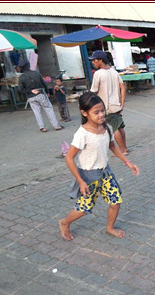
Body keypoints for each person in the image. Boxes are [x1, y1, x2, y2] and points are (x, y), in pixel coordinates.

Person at [58, 92, 139, 241]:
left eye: (102, 110)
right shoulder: (82, 134)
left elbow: (112, 145)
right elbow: (69, 157)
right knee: (84, 208)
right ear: (84, 112)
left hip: (105, 172)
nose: (101, 115)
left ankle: (109, 227)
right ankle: (65, 222)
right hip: (88, 177)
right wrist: (81, 181)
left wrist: (128, 163)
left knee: (116, 201)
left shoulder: (106, 127)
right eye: (96, 112)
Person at [89, 50, 128, 155]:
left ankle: (123, 150)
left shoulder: (98, 74)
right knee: (119, 127)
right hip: (116, 105)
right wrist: (122, 103)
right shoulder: (114, 71)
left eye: (94, 60)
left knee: (114, 129)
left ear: (100, 60)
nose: (93, 62)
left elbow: (93, 91)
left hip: (106, 106)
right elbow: (122, 87)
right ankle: (125, 148)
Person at [17, 59, 63, 132]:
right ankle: (56, 125)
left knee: (36, 112)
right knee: (48, 109)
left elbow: (20, 89)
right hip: (40, 94)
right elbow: (44, 83)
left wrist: (30, 91)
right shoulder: (36, 73)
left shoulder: (21, 77)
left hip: (31, 97)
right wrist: (47, 91)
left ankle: (42, 127)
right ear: (29, 65)